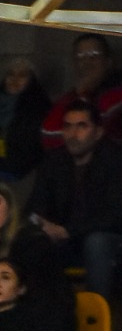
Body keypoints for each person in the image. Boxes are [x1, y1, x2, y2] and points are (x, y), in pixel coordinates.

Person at [28, 100, 122, 297]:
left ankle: (96, 313)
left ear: (98, 132)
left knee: (96, 242)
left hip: (108, 238)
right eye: (67, 126)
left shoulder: (114, 160)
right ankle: (41, 316)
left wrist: (68, 231)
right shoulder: (54, 161)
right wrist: (42, 224)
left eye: (82, 126)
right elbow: (35, 206)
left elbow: (113, 215)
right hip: (67, 239)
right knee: (32, 240)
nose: (73, 134)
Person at [0, 57, 50, 183]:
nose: (15, 80)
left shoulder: (38, 107)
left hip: (21, 173)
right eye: (10, 74)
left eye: (22, 75)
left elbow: (32, 148)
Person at [40, 32, 122, 151]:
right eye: (80, 57)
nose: (86, 63)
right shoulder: (73, 96)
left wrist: (84, 94)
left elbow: (102, 129)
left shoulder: (117, 95)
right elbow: (49, 136)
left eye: (93, 56)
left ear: (108, 62)